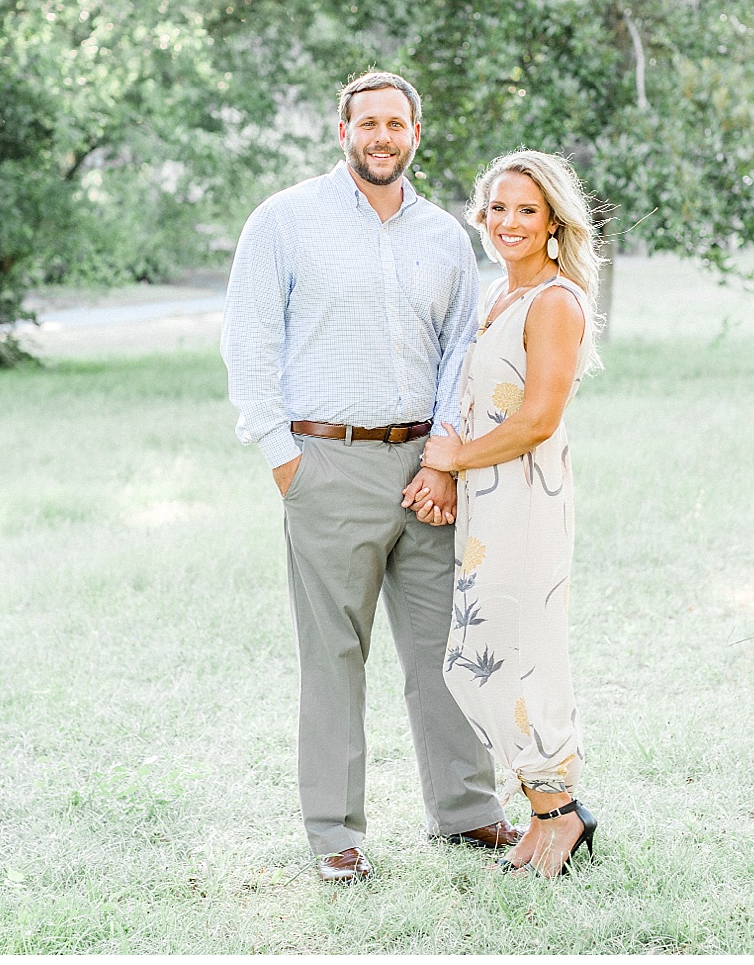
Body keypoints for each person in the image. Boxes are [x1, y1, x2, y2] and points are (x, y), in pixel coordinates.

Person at [220, 71, 521, 884]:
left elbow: (462, 349)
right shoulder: (284, 221)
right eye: (368, 123)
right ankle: (334, 833)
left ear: (415, 133)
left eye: (397, 124)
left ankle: (465, 811)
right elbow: (247, 343)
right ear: (342, 129)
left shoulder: (443, 236)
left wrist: (445, 455)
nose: (382, 137)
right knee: (333, 656)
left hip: (428, 465)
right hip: (326, 463)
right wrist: (285, 459)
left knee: (444, 651)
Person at [420, 150, 602, 880]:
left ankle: (558, 812)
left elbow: (536, 420)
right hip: (487, 509)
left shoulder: (555, 301)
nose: (509, 221)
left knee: (506, 661)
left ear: (553, 219)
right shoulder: (497, 296)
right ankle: (550, 813)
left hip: (527, 502)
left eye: (526, 209)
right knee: (479, 661)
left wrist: (452, 458)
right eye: (498, 207)